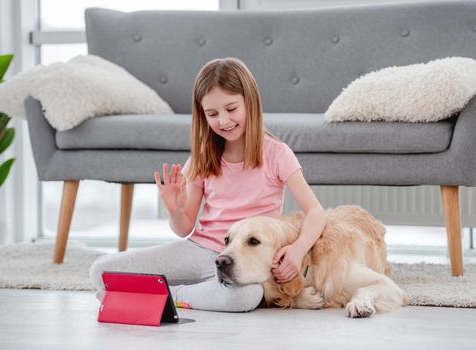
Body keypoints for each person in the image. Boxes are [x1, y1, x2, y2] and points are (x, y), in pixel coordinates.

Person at [89, 57, 326, 312]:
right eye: (212, 114)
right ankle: (186, 291)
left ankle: (169, 294)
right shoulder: (203, 155)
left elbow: (316, 212)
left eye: (231, 109)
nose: (223, 121)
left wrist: (298, 250)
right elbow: (183, 228)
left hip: (245, 259)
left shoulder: (277, 154)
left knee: (244, 298)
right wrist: (175, 210)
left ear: (250, 102)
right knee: (99, 271)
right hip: (200, 250)